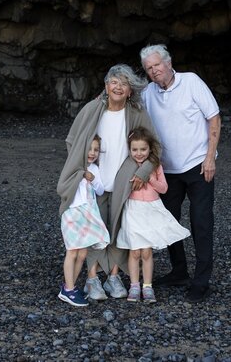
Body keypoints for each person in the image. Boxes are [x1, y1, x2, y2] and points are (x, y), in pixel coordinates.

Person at [56, 64, 156, 301]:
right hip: (95, 181)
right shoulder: (92, 109)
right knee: (93, 229)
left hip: (125, 181)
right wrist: (84, 168)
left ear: (130, 90)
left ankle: (113, 276)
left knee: (119, 228)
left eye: (124, 83)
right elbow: (73, 140)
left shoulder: (137, 113)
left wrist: (143, 172)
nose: (118, 87)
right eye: (114, 82)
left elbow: (154, 147)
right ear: (106, 86)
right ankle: (92, 279)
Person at [139, 44, 221, 303]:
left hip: (198, 166)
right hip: (168, 171)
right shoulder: (149, 93)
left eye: (157, 65)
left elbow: (214, 118)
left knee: (201, 222)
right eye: (149, 68)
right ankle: (179, 271)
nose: (154, 71)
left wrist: (210, 158)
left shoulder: (191, 82)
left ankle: (201, 280)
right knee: (169, 223)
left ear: (169, 62)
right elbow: (129, 105)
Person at [115, 127, 191, 303]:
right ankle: (134, 286)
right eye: (135, 149)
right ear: (129, 149)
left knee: (146, 252)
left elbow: (163, 188)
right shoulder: (127, 165)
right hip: (133, 210)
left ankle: (147, 286)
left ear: (150, 149)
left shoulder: (155, 166)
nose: (139, 153)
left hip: (150, 210)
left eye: (143, 149)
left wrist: (149, 178)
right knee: (134, 251)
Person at [57, 135, 111, 307]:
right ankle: (70, 290)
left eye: (96, 150)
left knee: (82, 253)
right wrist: (80, 174)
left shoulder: (94, 169)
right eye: (89, 149)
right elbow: (62, 188)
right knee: (72, 251)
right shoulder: (73, 167)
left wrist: (92, 178)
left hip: (88, 213)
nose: (92, 153)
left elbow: (101, 190)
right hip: (72, 213)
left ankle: (68, 286)